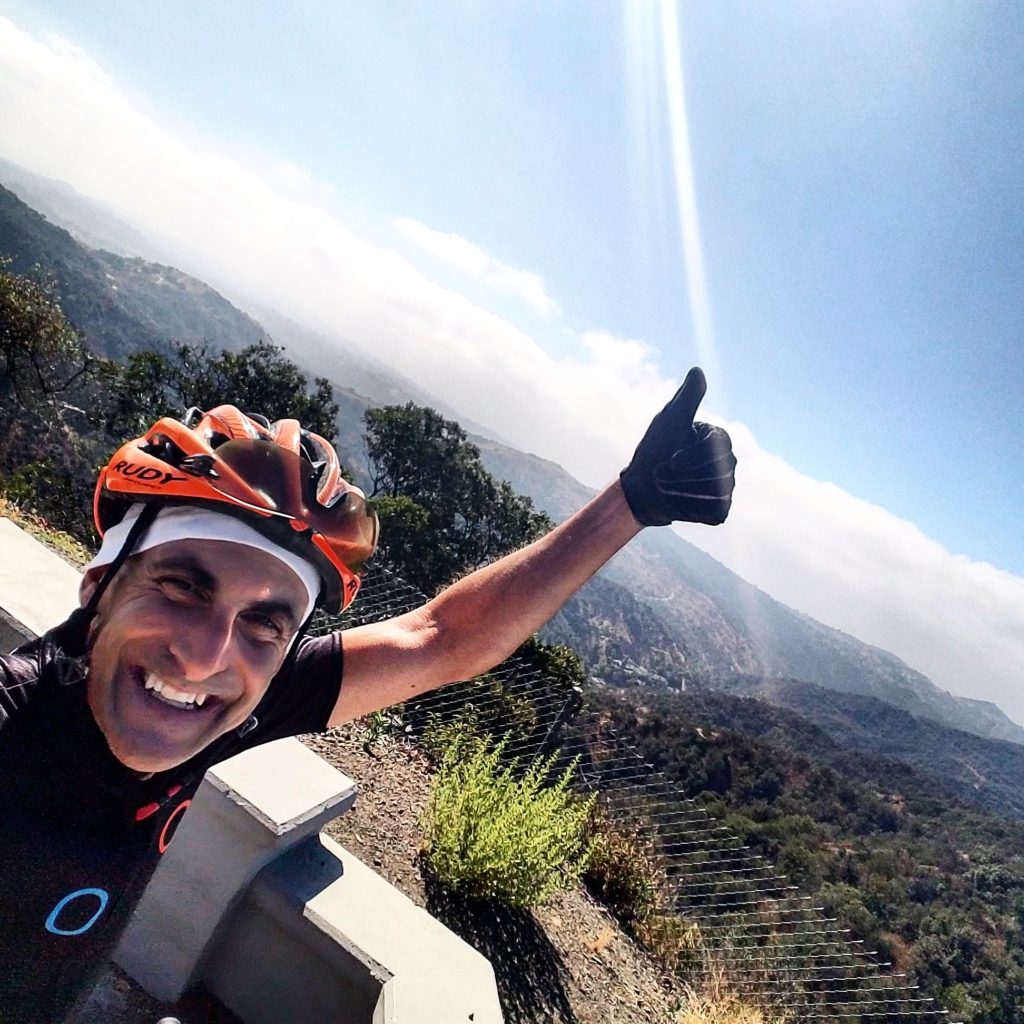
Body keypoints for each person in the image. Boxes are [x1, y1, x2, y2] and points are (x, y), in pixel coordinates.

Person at [0, 367, 735, 1023]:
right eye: (182, 587)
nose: (205, 659)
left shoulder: (240, 700)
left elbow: (440, 639)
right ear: (99, 583)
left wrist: (631, 504)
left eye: (265, 623)